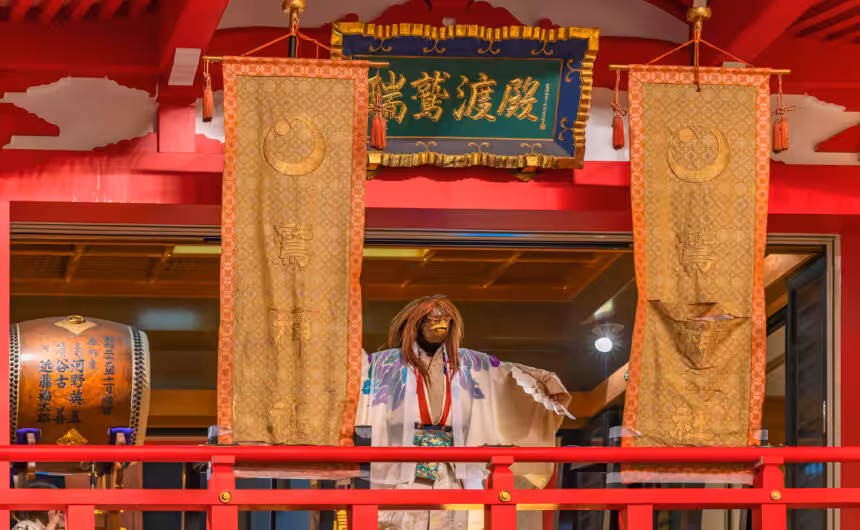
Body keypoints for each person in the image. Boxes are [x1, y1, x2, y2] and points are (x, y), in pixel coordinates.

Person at [357, 295, 573, 530]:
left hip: (452, 469)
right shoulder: (385, 364)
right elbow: (355, 378)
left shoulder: (470, 363)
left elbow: (505, 376)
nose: (440, 325)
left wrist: (544, 385)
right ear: (416, 323)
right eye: (432, 319)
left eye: (445, 319)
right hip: (404, 468)